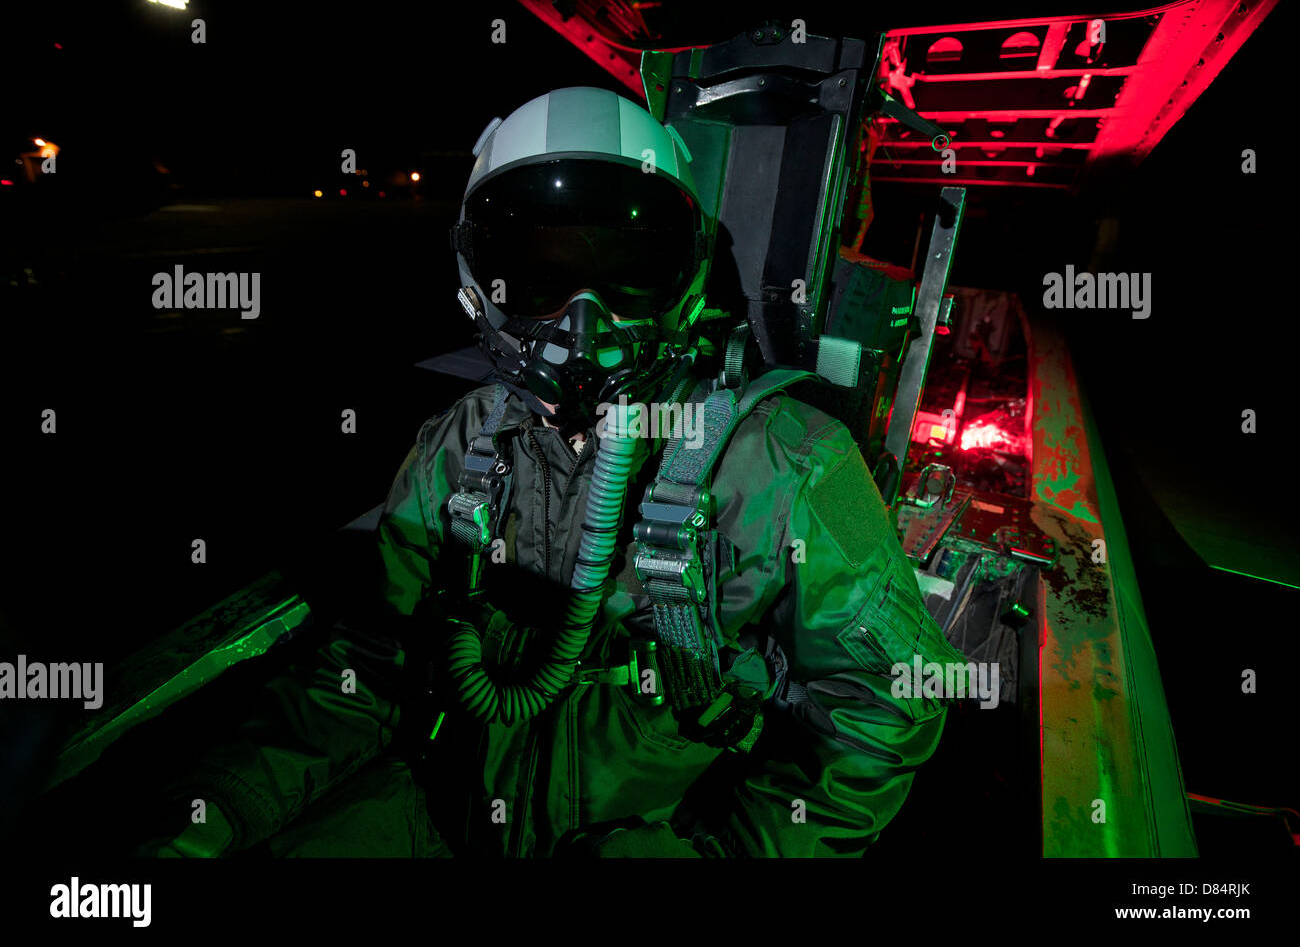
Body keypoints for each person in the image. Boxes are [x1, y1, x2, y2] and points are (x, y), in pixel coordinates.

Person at [139, 86, 964, 858]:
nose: (583, 320)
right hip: (451, 798)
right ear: (478, 285)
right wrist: (215, 812)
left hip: (649, 829)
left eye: (626, 271)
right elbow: (371, 662)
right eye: (541, 272)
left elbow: (884, 711)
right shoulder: (458, 444)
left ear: (685, 276)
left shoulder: (788, 462)